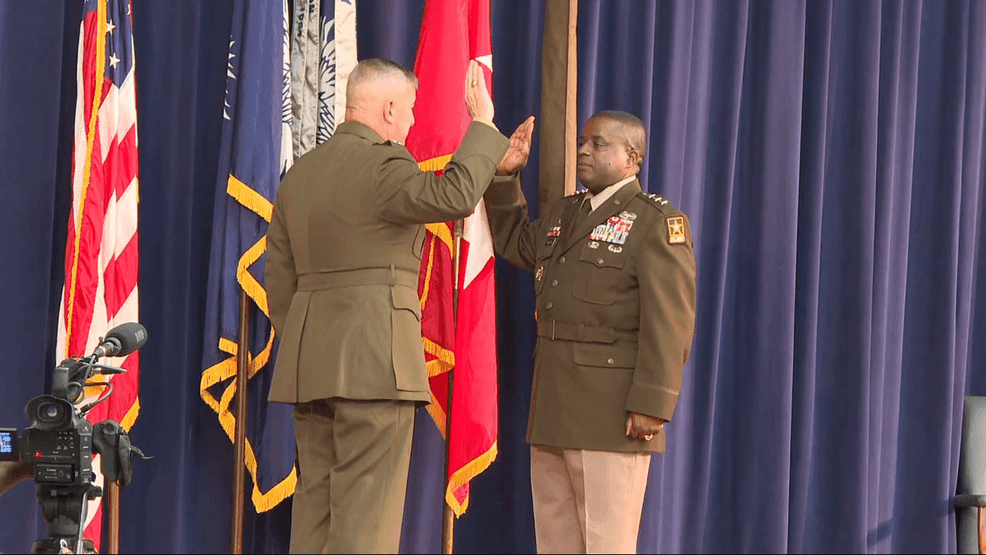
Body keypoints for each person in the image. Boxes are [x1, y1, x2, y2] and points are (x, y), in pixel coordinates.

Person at [265, 58, 532, 553]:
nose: (411, 122)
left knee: (314, 516)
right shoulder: (385, 164)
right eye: (408, 110)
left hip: (309, 368)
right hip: (375, 367)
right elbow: (452, 195)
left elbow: (279, 283)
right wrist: (482, 126)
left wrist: (311, 340)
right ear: (388, 108)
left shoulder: (298, 176)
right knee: (365, 523)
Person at [484, 110, 697, 553]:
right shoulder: (567, 213)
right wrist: (505, 179)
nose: (584, 149)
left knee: (607, 545)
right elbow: (517, 244)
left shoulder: (656, 222)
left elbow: (670, 321)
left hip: (611, 414)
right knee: (555, 543)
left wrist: (653, 404)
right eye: (584, 140)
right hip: (553, 408)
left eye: (598, 143)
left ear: (631, 158)